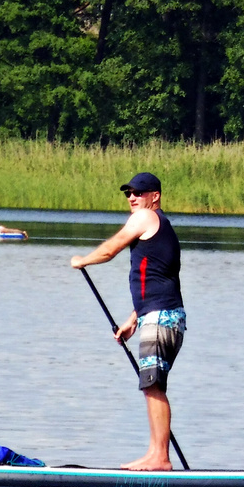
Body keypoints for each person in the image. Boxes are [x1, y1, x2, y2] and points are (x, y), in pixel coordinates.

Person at [70, 171, 185, 471]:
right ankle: (154, 454)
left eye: (138, 192)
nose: (132, 198)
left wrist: (82, 260)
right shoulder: (164, 228)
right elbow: (163, 278)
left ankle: (160, 458)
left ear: (154, 196)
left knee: (153, 385)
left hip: (161, 317)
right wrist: (134, 318)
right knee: (151, 386)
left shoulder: (145, 218)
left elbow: (112, 247)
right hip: (160, 314)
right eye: (128, 193)